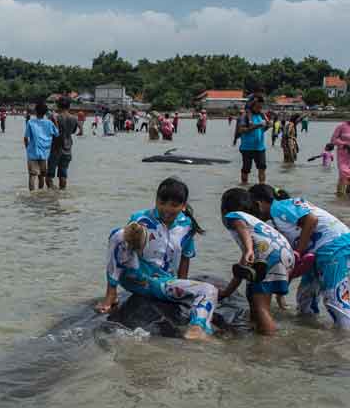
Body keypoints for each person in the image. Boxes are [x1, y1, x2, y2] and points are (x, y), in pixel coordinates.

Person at [96, 178, 217, 339]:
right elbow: (123, 252)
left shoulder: (187, 226)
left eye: (174, 205)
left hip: (161, 283)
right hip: (136, 276)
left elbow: (185, 258)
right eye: (162, 202)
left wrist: (182, 286)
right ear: (156, 200)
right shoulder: (141, 219)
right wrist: (112, 290)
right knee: (119, 235)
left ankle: (196, 328)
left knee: (209, 290)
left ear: (183, 205)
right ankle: (111, 295)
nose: (166, 209)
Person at [249, 184, 350, 329]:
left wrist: (298, 251)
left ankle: (344, 339)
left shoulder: (278, 208)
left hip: (334, 247)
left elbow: (311, 219)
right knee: (305, 298)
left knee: (335, 300)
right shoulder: (279, 222)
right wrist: (281, 291)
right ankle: (311, 333)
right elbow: (287, 261)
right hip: (317, 253)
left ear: (258, 204)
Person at [216, 188, 295, 335]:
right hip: (284, 254)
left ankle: (268, 341)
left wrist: (248, 249)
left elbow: (240, 226)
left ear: (224, 209)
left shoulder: (234, 216)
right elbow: (241, 269)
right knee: (255, 293)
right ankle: (256, 328)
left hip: (268, 256)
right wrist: (227, 292)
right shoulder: (257, 223)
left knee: (260, 306)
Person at [23, 101, 59, 191]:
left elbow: (26, 138)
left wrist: (28, 149)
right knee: (41, 176)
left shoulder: (30, 122)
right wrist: (55, 120)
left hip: (32, 152)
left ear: (35, 111)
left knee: (32, 175)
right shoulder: (49, 123)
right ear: (45, 112)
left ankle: (32, 194)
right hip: (44, 153)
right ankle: (40, 192)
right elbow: (57, 133)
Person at [235, 96, 268, 185]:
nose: (259, 109)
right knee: (246, 169)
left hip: (260, 148)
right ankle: (244, 186)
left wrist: (267, 126)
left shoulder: (261, 115)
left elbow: (262, 130)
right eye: (257, 107)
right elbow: (241, 130)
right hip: (247, 148)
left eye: (261, 107)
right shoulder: (244, 116)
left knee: (262, 168)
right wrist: (256, 126)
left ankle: (262, 186)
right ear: (252, 106)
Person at [48, 98, 78, 190]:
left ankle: (51, 195)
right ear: (69, 106)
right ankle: (62, 193)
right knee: (63, 174)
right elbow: (73, 131)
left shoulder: (54, 117)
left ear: (58, 106)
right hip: (67, 148)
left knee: (49, 175)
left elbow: (50, 132)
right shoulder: (74, 118)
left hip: (55, 148)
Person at [328, 118, 350, 196]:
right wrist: (344, 144)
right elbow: (333, 140)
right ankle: (340, 196)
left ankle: (346, 197)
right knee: (343, 173)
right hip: (343, 155)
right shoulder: (341, 126)